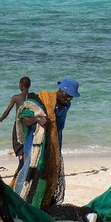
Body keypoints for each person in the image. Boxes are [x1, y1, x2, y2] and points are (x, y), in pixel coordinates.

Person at [11, 77, 79, 209]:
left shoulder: (66, 105)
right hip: (34, 147)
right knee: (27, 178)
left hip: (52, 148)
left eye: (72, 97)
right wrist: (37, 119)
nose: (69, 99)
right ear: (62, 90)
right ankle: (20, 205)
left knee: (44, 178)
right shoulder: (42, 100)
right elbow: (23, 118)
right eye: (68, 95)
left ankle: (39, 206)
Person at [0, 76, 31, 164]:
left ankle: (21, 164)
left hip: (19, 125)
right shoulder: (32, 97)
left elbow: (7, 111)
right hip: (29, 124)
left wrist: (0, 119)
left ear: (21, 85)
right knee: (27, 143)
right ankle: (27, 162)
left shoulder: (16, 97)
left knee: (18, 144)